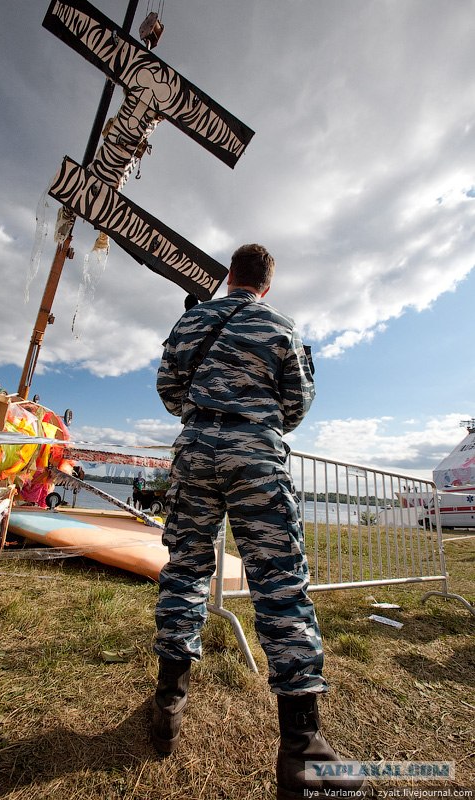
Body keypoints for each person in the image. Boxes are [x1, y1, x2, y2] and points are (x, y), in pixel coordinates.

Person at [151, 244, 365, 797]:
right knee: (279, 584)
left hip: (195, 449)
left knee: (186, 572)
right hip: (255, 455)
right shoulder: (281, 327)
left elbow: (169, 392)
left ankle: (168, 704)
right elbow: (296, 406)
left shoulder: (192, 319)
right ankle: (301, 747)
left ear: (229, 276)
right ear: (266, 284)